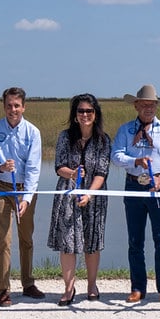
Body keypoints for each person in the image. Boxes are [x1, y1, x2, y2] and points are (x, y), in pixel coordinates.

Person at [111, 84, 160, 304]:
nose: (148, 108)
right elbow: (116, 156)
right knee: (135, 240)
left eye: (152, 104)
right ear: (136, 105)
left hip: (159, 187)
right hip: (133, 186)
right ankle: (137, 288)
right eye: (144, 104)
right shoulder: (125, 130)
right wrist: (135, 161)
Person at [47, 93, 111, 305]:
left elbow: (102, 172)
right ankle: (69, 288)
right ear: (75, 114)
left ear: (95, 114)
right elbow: (59, 166)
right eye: (81, 111)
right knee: (68, 242)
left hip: (94, 196)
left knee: (92, 241)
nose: (85, 115)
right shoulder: (65, 137)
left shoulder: (103, 140)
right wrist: (72, 174)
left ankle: (92, 285)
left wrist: (89, 194)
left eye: (89, 111)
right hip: (68, 193)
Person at [0, 87, 43, 306]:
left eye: (17, 105)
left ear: (23, 107)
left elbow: (34, 169)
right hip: (1, 187)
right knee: (3, 240)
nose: (13, 110)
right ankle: (4, 289)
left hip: (24, 189)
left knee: (26, 238)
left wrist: (26, 198)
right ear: (4, 106)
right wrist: (0, 167)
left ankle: (28, 283)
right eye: (9, 105)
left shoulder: (33, 132)